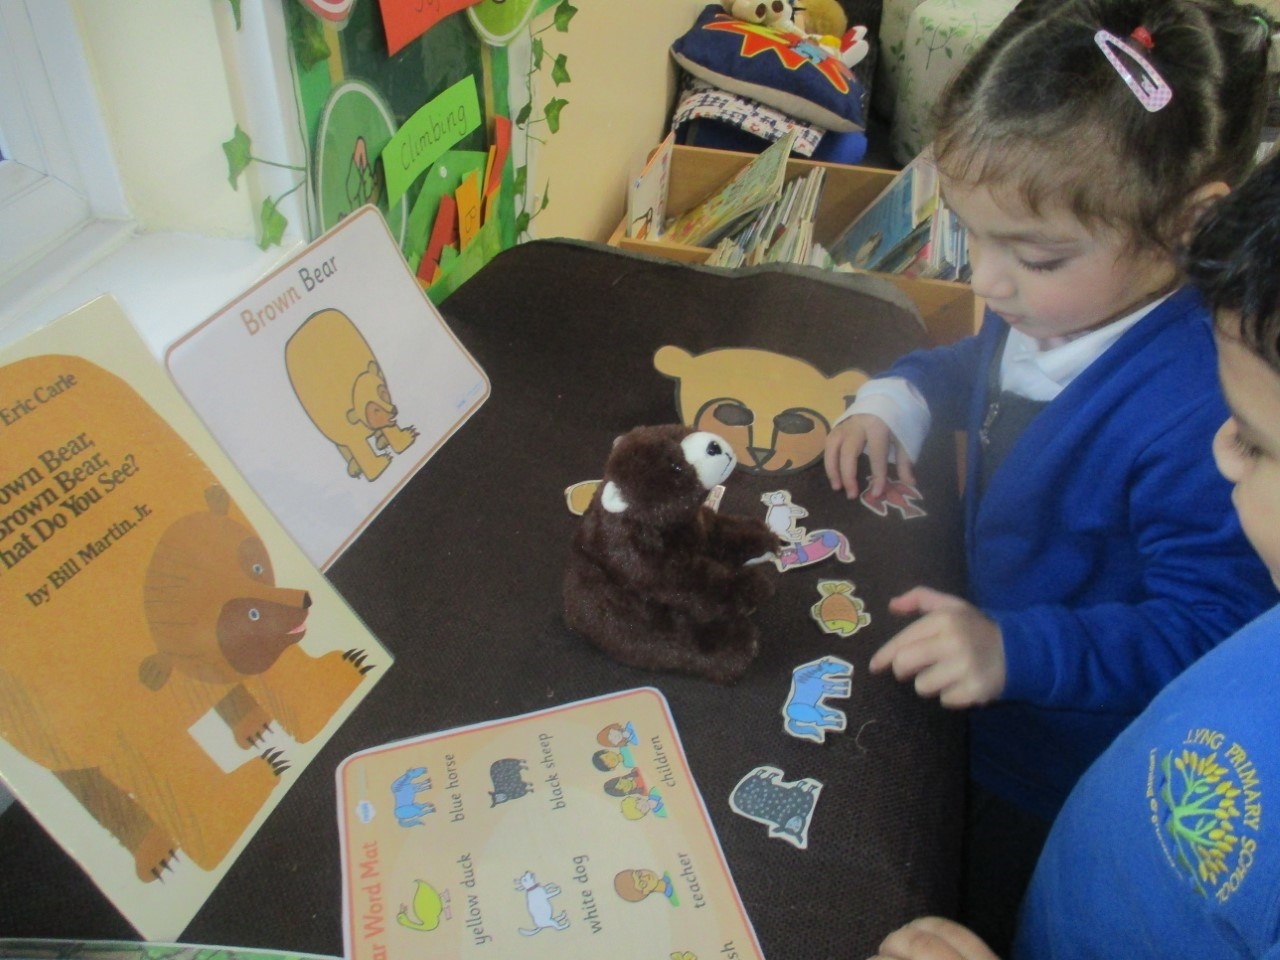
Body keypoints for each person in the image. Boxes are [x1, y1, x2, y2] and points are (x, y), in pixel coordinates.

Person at [822, 0, 1279, 949]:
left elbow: (1207, 629)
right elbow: (993, 369)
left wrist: (1016, 650)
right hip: (991, 689)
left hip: (1056, 760)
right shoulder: (1061, 308)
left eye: (1032, 255)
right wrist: (907, 393)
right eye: (971, 235)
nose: (985, 282)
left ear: (1189, 224)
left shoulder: (1210, 415)